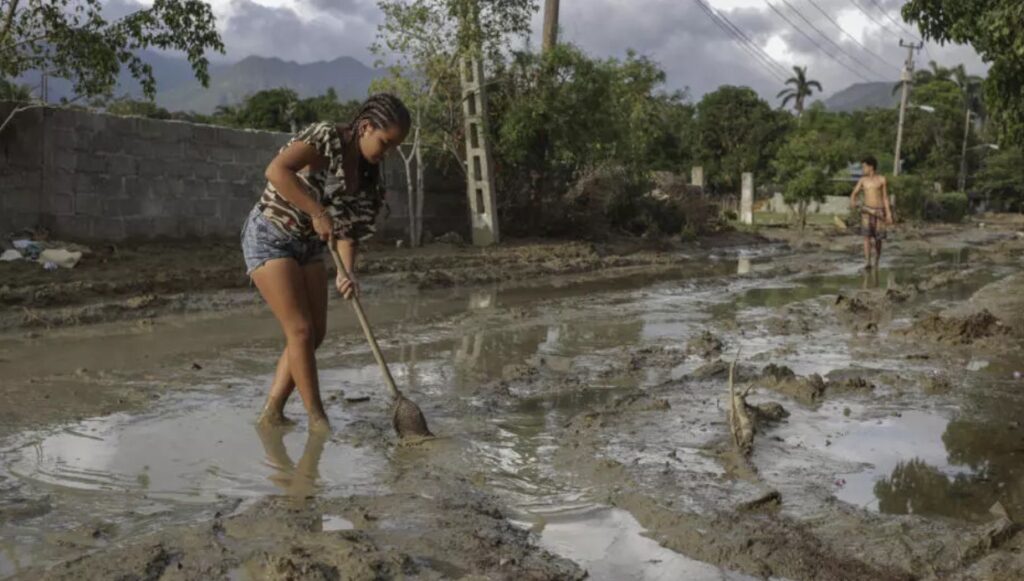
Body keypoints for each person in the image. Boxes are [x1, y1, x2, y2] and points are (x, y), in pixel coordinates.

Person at [241, 93, 411, 432]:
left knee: (314, 334)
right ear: (365, 127)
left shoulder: (367, 176)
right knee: (300, 330)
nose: (386, 153)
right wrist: (317, 211)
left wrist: (346, 272)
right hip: (270, 234)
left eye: (393, 147)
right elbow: (276, 171)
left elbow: (348, 232)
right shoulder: (326, 138)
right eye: (385, 142)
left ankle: (273, 411)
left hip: (309, 246)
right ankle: (318, 420)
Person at [849, 155, 893, 270]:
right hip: (867, 211)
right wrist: (853, 202)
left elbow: (885, 198)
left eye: (864, 167)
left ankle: (877, 260)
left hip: (879, 211)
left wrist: (888, 213)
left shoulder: (881, 179)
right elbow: (854, 193)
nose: (863, 169)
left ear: (871, 167)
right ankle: (867, 261)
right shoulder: (863, 180)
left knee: (878, 238)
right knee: (866, 237)